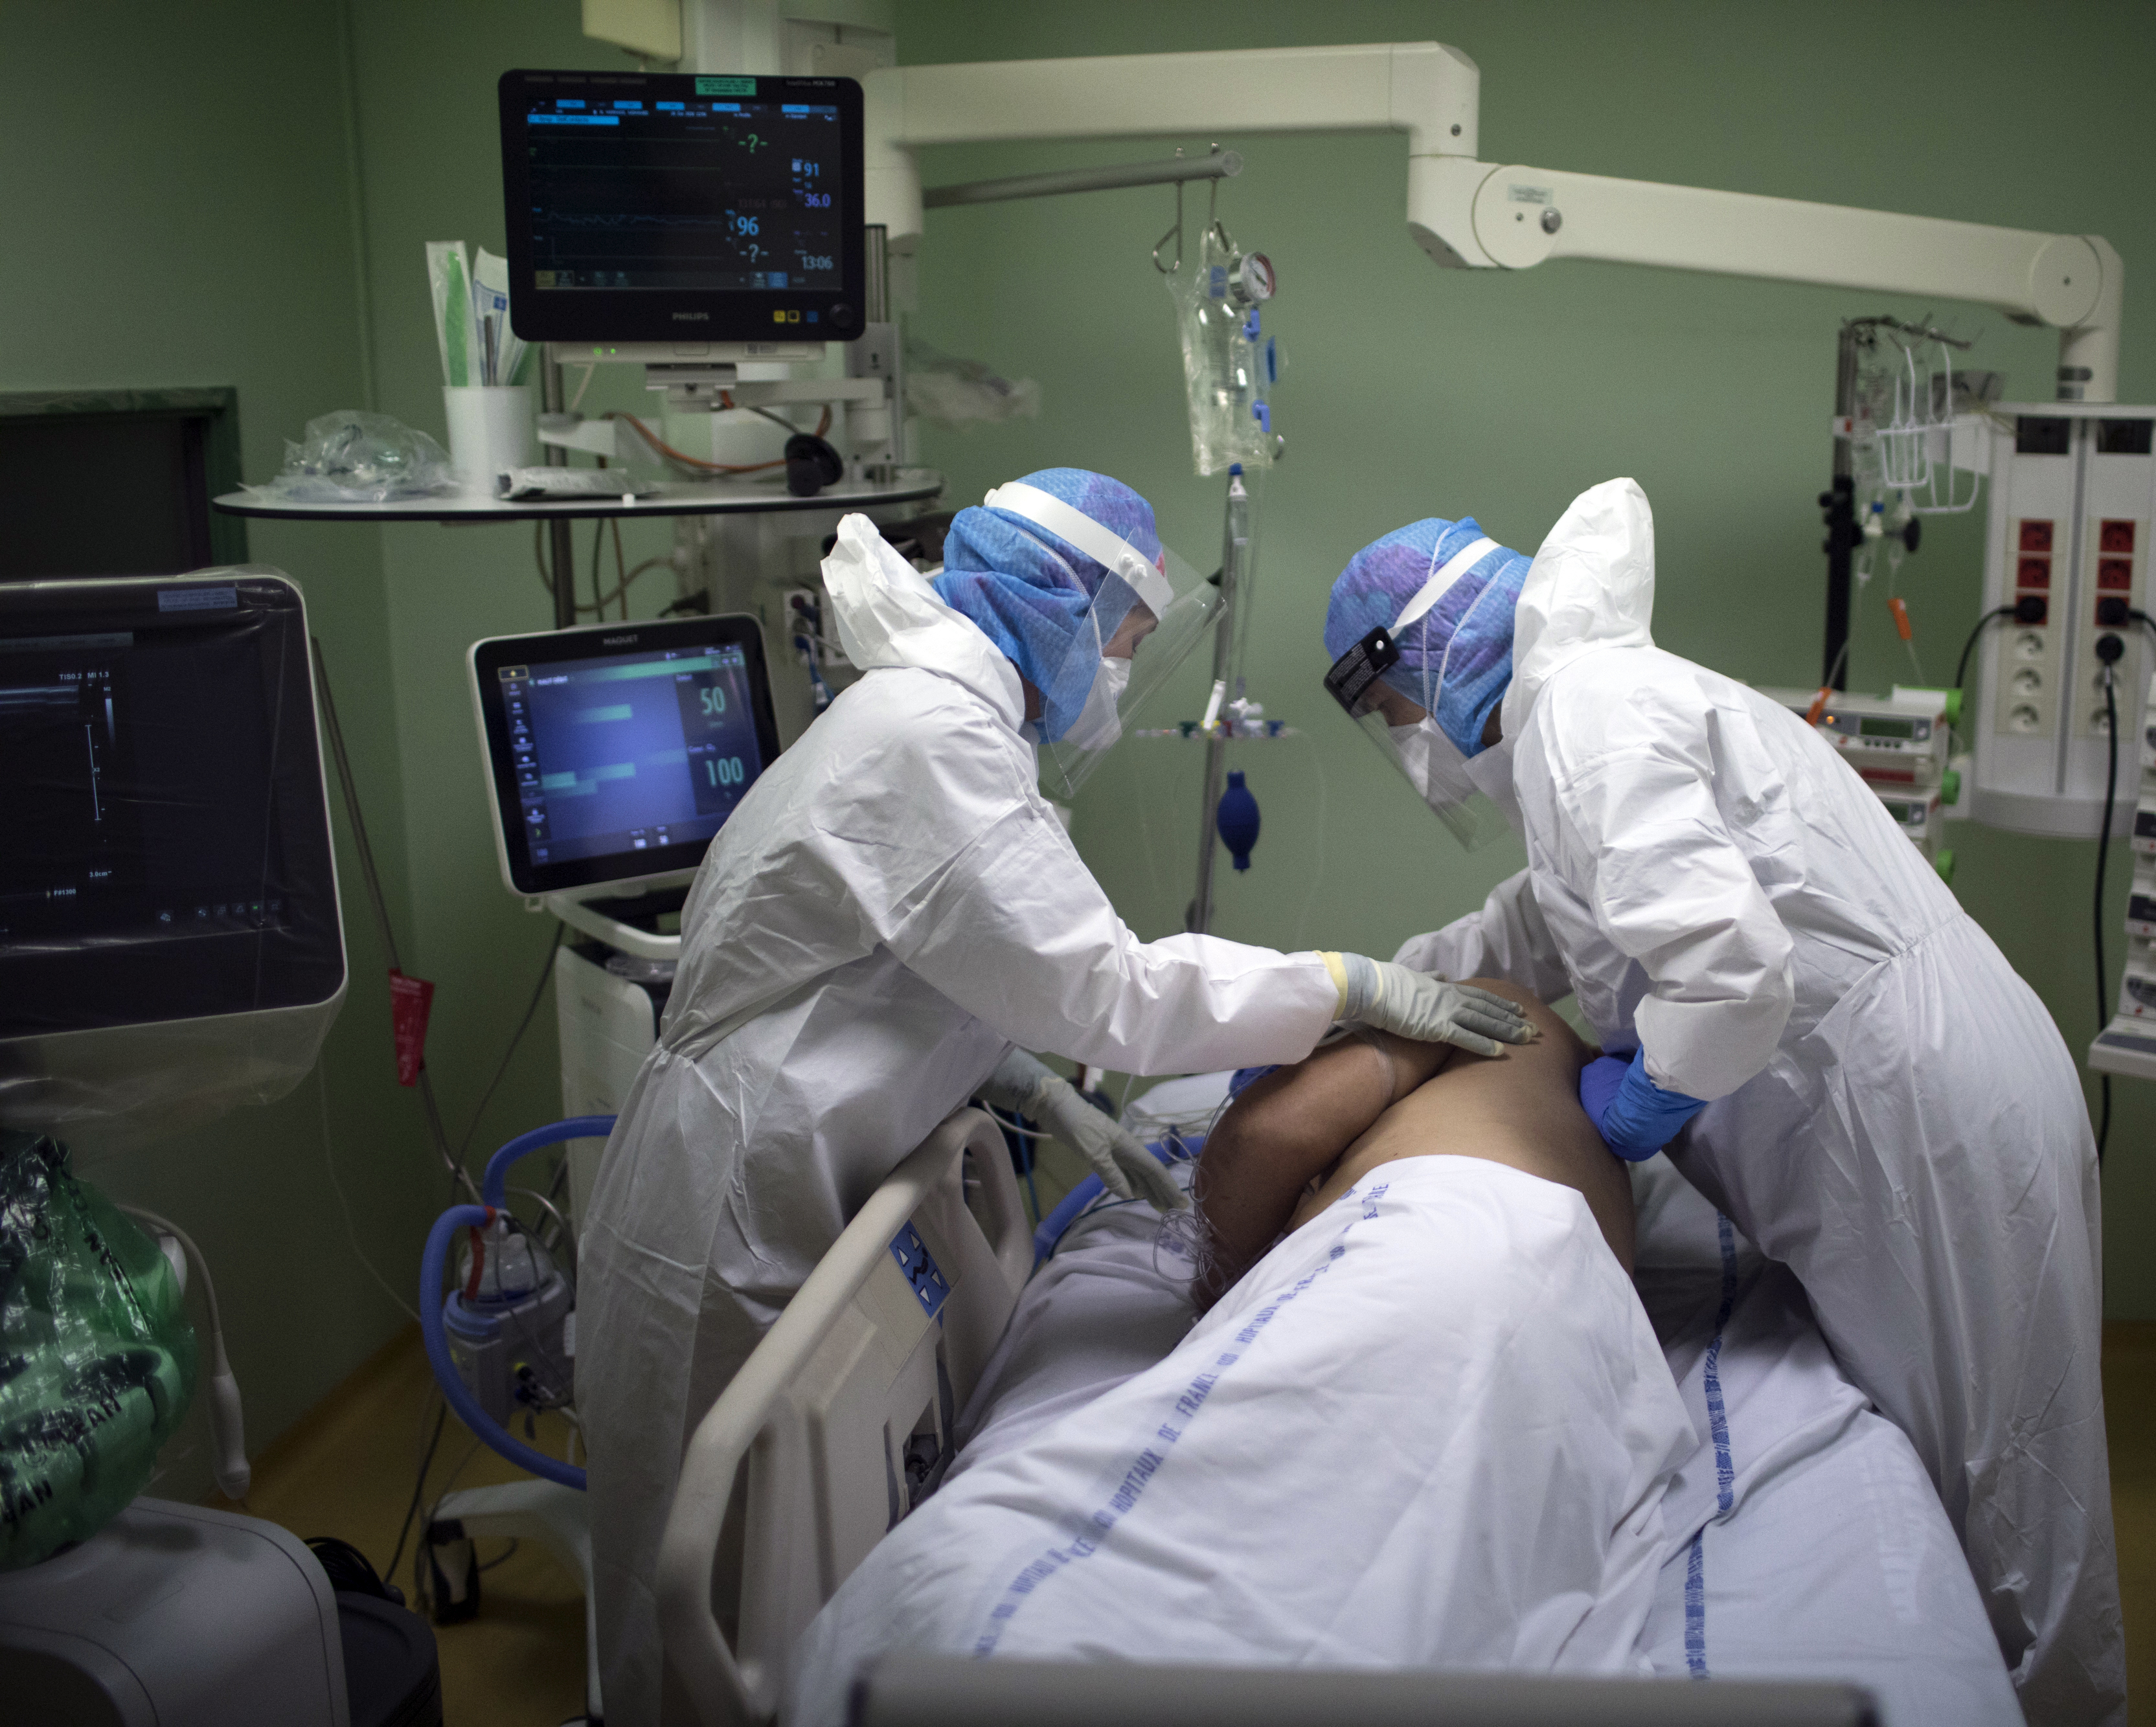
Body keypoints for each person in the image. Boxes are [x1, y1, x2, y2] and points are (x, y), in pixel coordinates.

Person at [575, 468, 1532, 1726]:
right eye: (1125, 639)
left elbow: (921, 979)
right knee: (708, 1571)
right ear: (1056, 607)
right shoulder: (927, 736)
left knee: (772, 1551)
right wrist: (1345, 982)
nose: (1124, 668)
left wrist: (1032, 1088)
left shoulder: (950, 736)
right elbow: (1104, 988)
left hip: (796, 1150)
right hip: (735, 1192)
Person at [1317, 480, 2124, 1727]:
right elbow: (1547, 920)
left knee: (2008, 1490)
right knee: (1991, 1463)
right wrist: (1373, 990)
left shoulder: (1588, 716)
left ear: (1430, 650)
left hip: (1917, 1108)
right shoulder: (1577, 725)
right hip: (1904, 1088)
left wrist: (1637, 1101)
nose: (1408, 737)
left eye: (1389, 706)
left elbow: (1732, 970)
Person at [781, 980, 1694, 1721]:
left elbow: (1258, 1143)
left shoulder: (1495, 1008)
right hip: (1575, 1335)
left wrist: (1231, 1291)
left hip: (1440, 1255)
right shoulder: (1564, 1100)